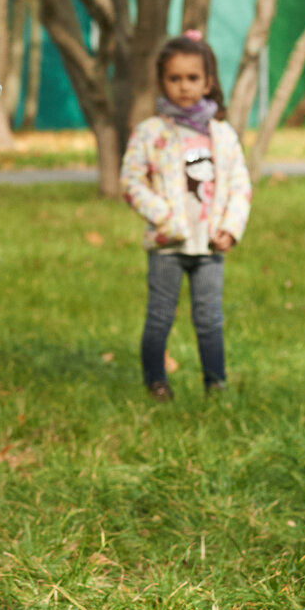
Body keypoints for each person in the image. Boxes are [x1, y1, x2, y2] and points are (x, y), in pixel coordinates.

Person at [120, 30, 252, 400]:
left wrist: (230, 228)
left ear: (208, 82)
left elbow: (240, 185)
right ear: (162, 81)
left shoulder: (223, 135)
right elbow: (131, 180)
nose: (184, 86)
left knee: (210, 319)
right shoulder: (151, 132)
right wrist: (162, 215)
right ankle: (156, 383)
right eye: (174, 78)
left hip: (210, 245)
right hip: (168, 245)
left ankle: (215, 384)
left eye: (192, 77)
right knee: (160, 316)